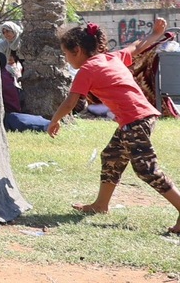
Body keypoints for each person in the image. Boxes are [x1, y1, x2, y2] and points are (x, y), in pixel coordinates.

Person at [47, 18, 180, 233]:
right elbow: (137, 46)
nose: (65, 58)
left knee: (146, 169)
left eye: (66, 53)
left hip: (135, 120)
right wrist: (155, 33)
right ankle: (101, 205)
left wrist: (55, 120)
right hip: (139, 118)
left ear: (77, 50)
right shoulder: (111, 57)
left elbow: (70, 101)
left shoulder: (86, 70)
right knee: (111, 156)